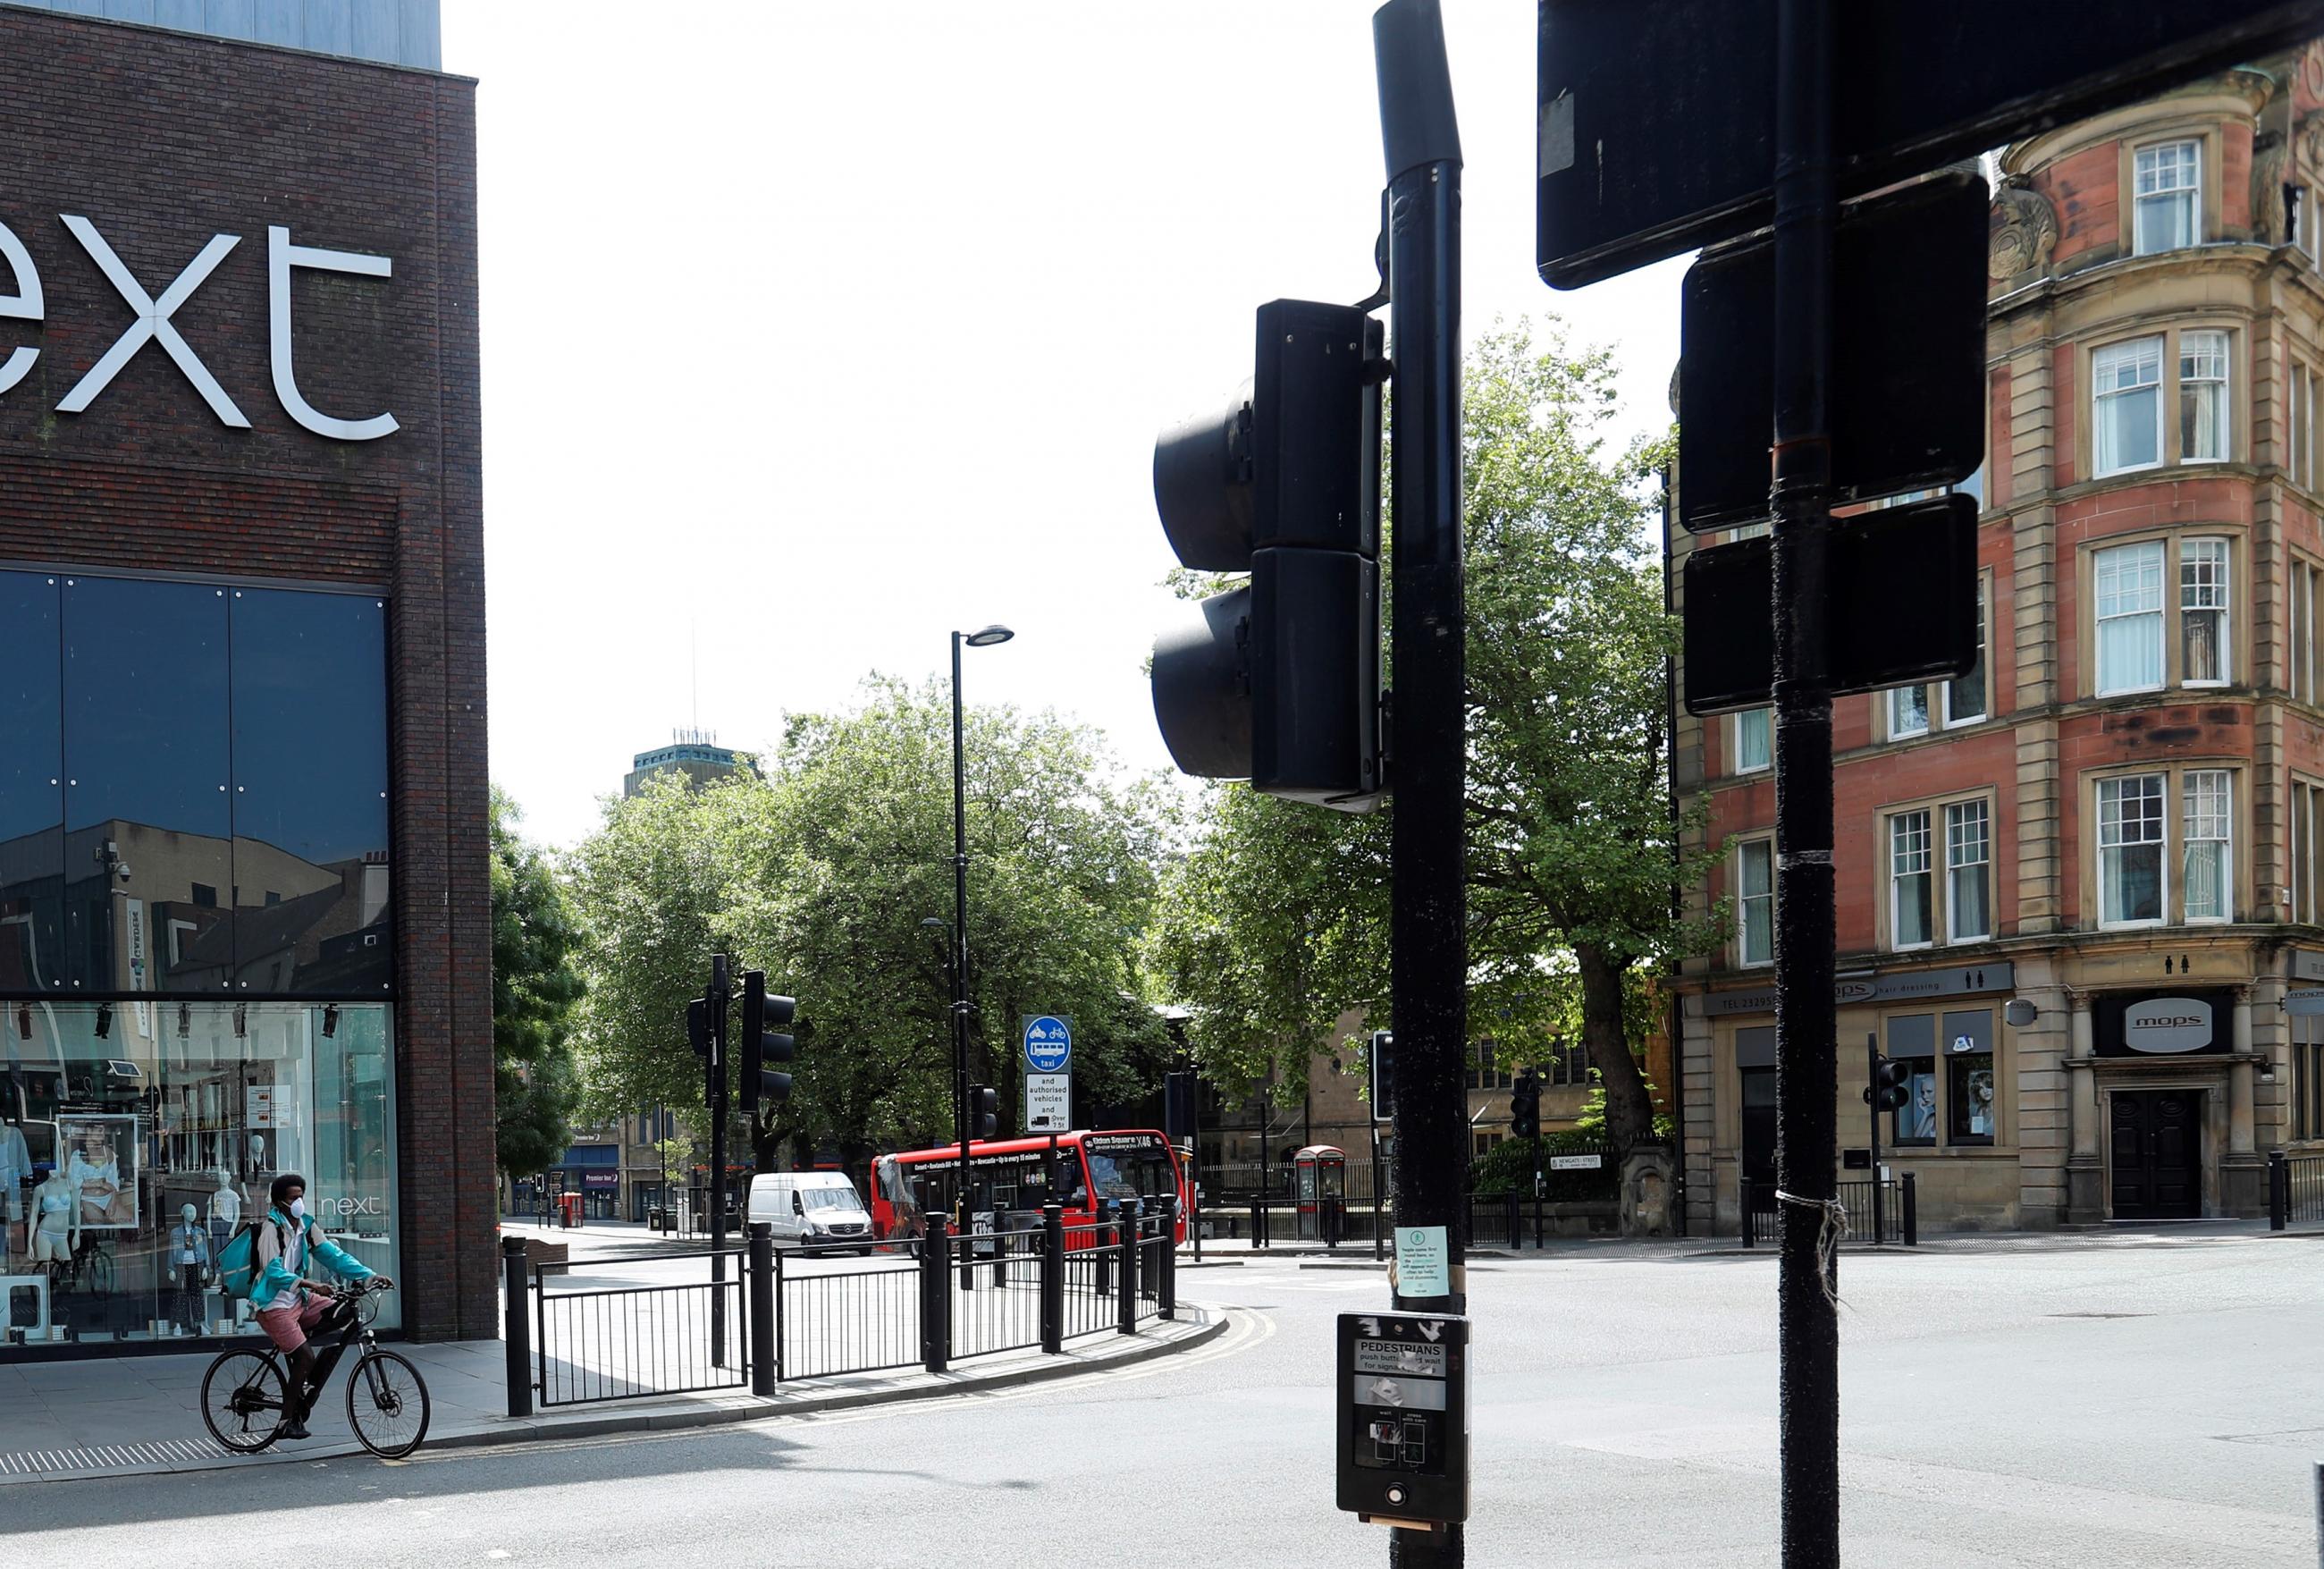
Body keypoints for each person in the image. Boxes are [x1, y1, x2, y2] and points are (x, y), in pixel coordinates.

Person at [248, 1172, 391, 1440]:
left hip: (300, 1300)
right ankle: (286, 1423)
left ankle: (303, 1375)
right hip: (273, 1304)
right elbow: (273, 1271)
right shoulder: (271, 1229)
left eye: (301, 1196)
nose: (299, 1202)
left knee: (344, 1309)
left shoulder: (306, 1226)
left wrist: (368, 1276)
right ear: (280, 1202)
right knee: (305, 1356)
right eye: (294, 1198)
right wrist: (311, 1285)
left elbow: (333, 1256)